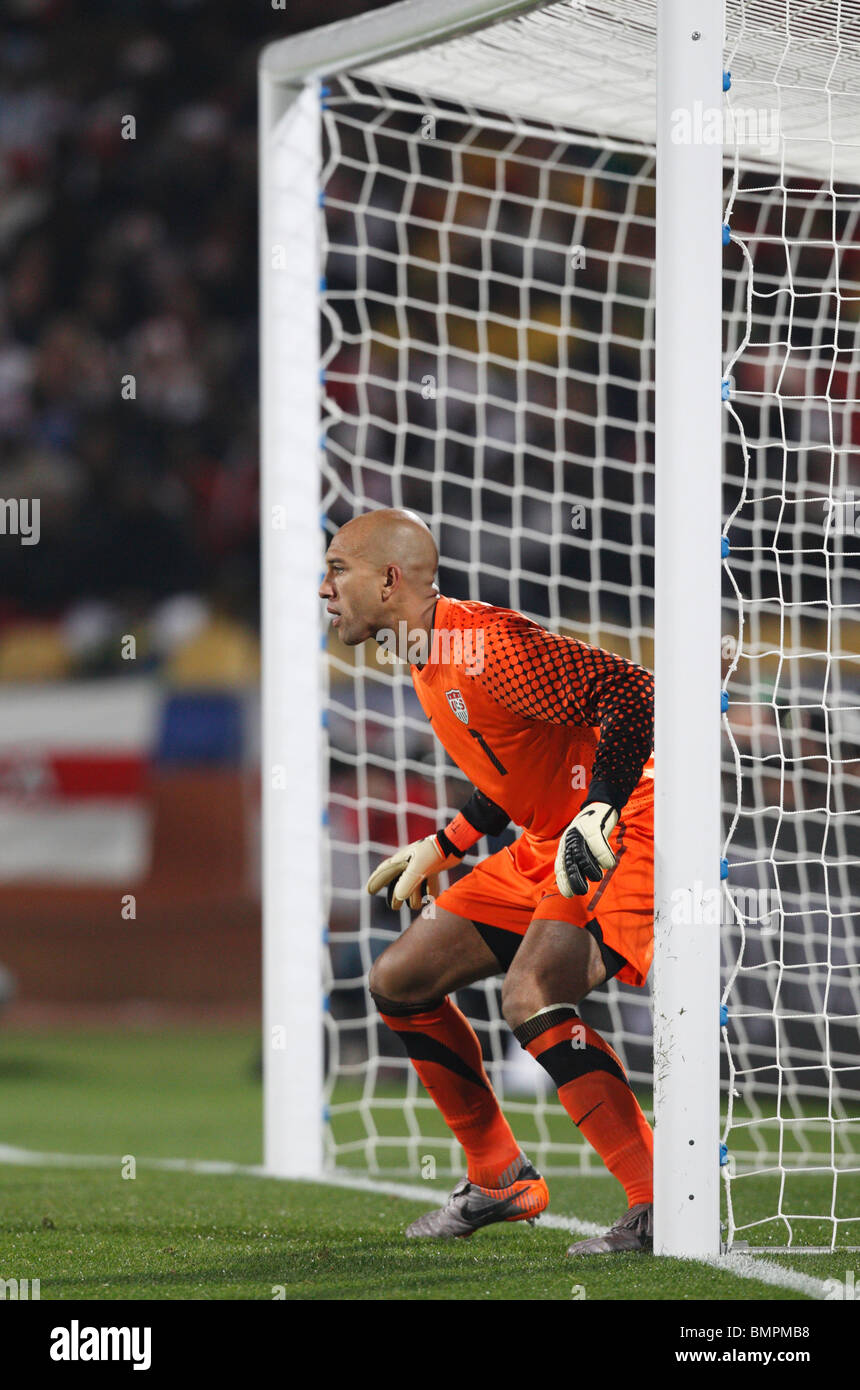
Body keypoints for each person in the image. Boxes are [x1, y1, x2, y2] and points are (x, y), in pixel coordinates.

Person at [319, 508, 655, 1255]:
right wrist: (445, 845)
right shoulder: (420, 651)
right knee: (401, 978)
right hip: (548, 835)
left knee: (531, 992)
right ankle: (499, 1176)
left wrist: (599, 807)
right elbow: (514, 769)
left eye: (337, 569)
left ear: (389, 578)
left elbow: (634, 694)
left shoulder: (487, 647)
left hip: (625, 820)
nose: (324, 588)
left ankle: (658, 1199)